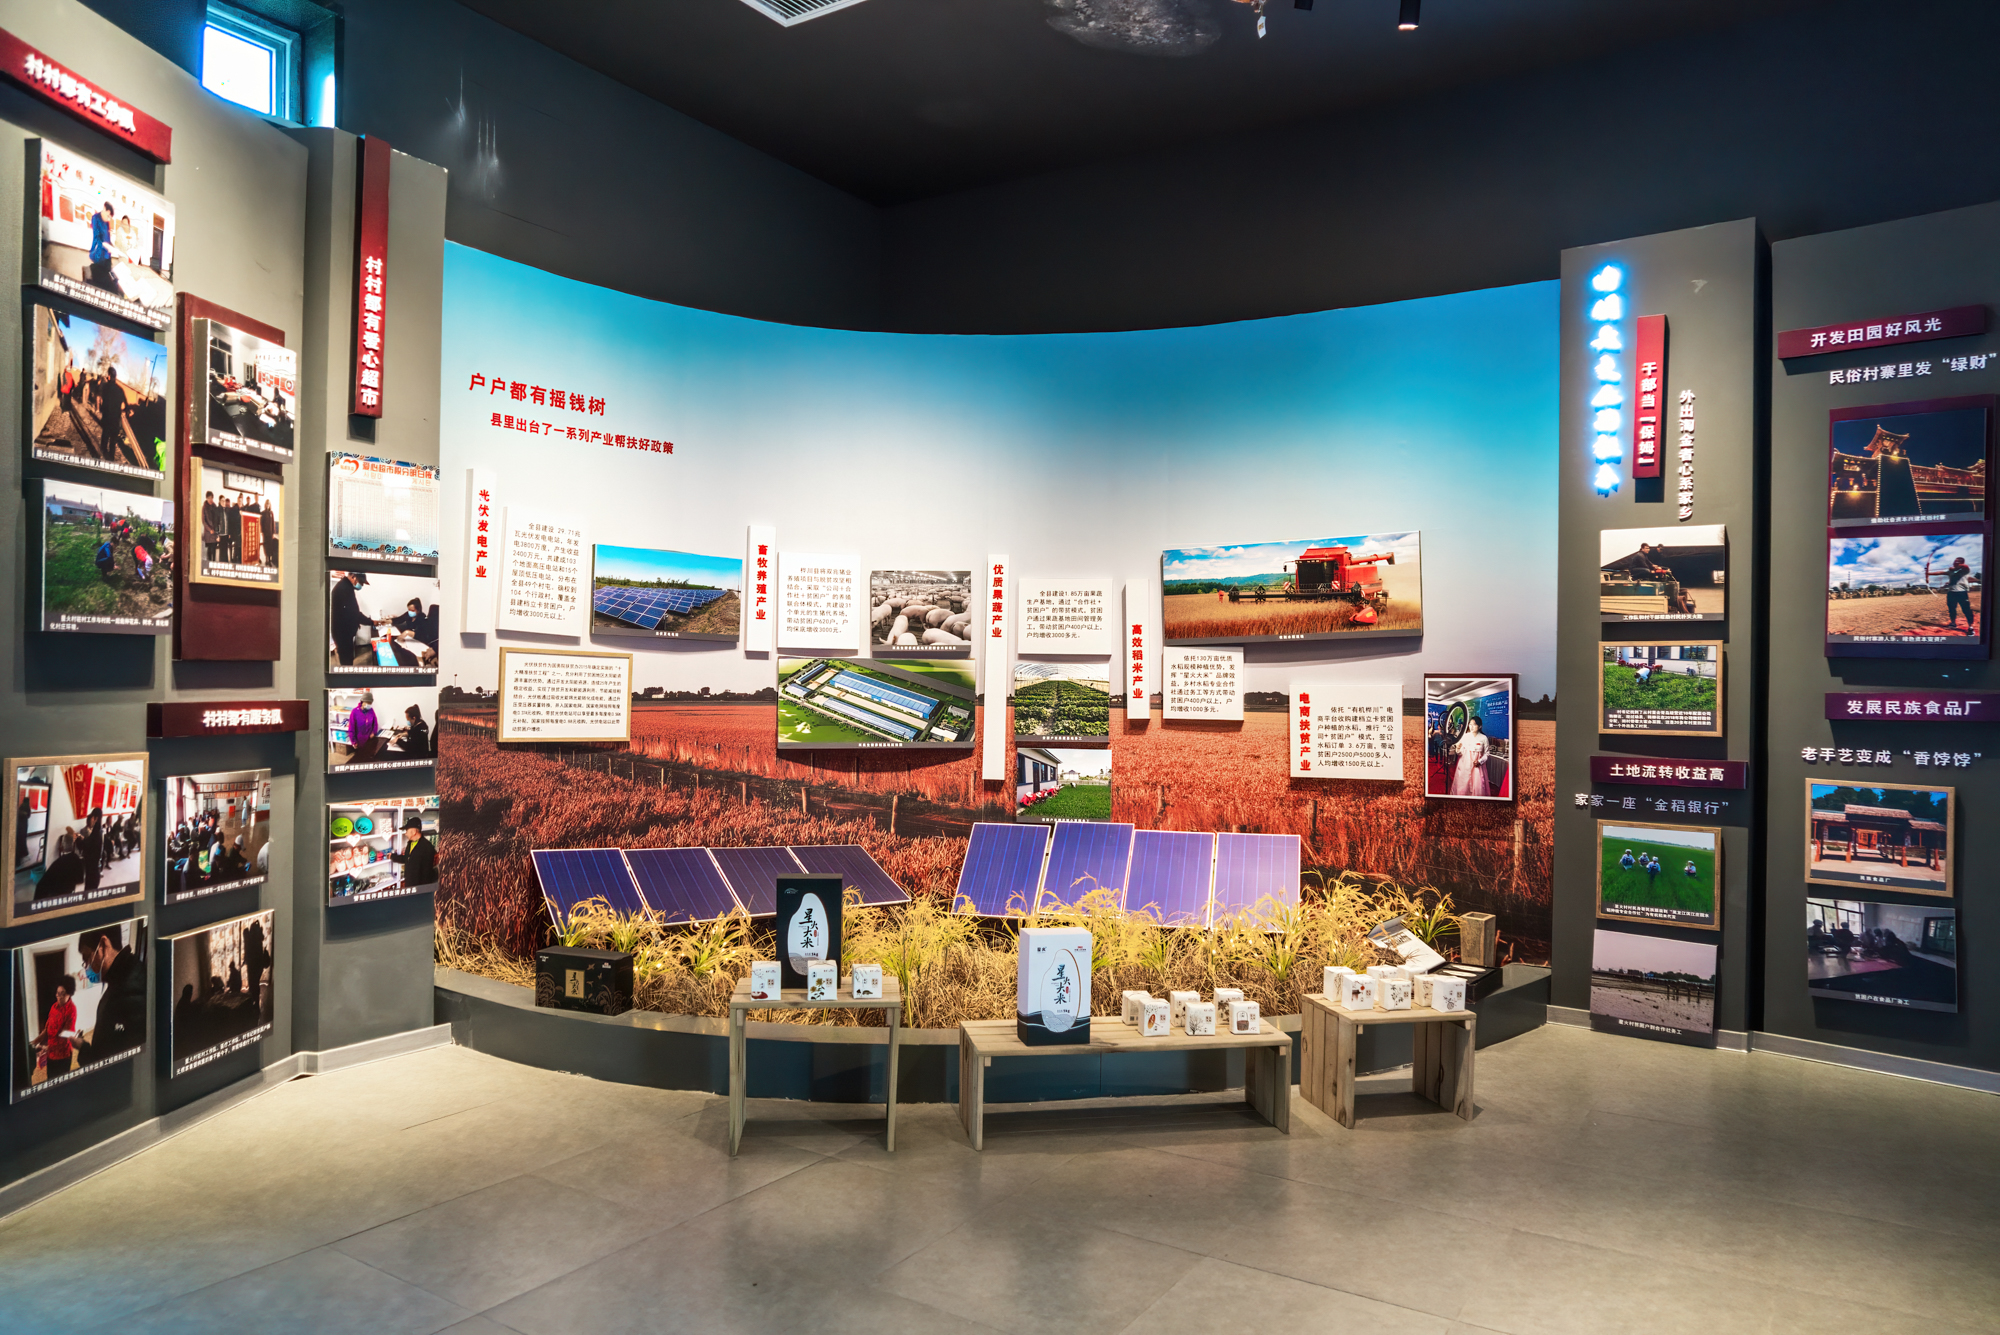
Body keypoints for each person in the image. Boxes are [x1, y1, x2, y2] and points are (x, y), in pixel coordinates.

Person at [76, 925, 144, 1062]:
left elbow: (108, 1064)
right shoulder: (120, 978)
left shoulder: (132, 993)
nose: (87, 968)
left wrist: (83, 1048)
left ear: (103, 945)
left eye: (87, 958)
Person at [36, 975, 77, 1079]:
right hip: (51, 1054)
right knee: (50, 1079)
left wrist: (47, 1048)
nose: (59, 997)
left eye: (63, 994)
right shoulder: (54, 1006)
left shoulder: (71, 1010)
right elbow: (48, 1027)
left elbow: (65, 1036)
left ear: (69, 993)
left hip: (63, 1055)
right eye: (58, 993)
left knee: (62, 1081)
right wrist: (37, 1040)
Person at [329, 571, 373, 666]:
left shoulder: (346, 586)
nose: (361, 586)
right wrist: (372, 622)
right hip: (342, 634)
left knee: (347, 658)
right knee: (346, 661)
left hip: (343, 632)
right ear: (353, 577)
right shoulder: (344, 589)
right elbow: (355, 614)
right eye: (361, 583)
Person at [391, 815, 437, 891]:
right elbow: (406, 858)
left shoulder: (427, 847)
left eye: (407, 831)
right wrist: (392, 856)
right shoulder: (410, 843)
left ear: (414, 832)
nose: (405, 834)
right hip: (409, 884)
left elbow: (426, 874)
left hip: (419, 888)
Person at [86, 200, 124, 294]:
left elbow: (107, 237)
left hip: (107, 254)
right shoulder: (95, 218)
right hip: (99, 253)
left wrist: (113, 247)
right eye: (108, 216)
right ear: (104, 209)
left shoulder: (106, 221)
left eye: (110, 217)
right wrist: (106, 245)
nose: (109, 219)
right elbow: (97, 237)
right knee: (103, 280)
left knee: (111, 276)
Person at [1448, 715, 1491, 797]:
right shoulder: (1465, 736)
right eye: (1470, 724)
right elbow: (1460, 753)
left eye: (1474, 724)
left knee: (1478, 786)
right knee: (1463, 786)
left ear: (1480, 726)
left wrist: (1480, 761)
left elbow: (1487, 753)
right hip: (1465, 765)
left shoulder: (1483, 738)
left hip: (1477, 766)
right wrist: (1458, 748)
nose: (1471, 727)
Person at [1935, 556, 1976, 632]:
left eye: (1956, 561)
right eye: (1954, 561)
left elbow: (1965, 566)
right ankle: (1953, 623)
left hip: (1961, 592)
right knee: (1952, 609)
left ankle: (1970, 626)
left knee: (1966, 609)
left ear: (1960, 563)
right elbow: (1939, 572)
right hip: (1951, 593)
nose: (1954, 563)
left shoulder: (1965, 570)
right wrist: (1927, 573)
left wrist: (1955, 567)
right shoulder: (1950, 571)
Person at [346, 690, 381, 762]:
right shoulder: (355, 712)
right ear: (362, 701)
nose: (369, 705)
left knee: (369, 758)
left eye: (370, 703)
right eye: (368, 703)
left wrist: (373, 732)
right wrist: (354, 741)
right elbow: (351, 728)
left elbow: (375, 723)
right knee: (360, 759)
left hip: (370, 740)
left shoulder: (371, 710)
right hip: (359, 741)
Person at [260, 499, 279, 569]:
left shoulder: (271, 513)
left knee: (270, 546)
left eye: (269, 504)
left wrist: (273, 532)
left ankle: (270, 560)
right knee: (266, 546)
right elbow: (261, 523)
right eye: (267, 504)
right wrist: (262, 532)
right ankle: (267, 559)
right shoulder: (263, 513)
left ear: (270, 505)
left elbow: (273, 523)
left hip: (270, 533)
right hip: (265, 533)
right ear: (265, 505)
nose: (268, 505)